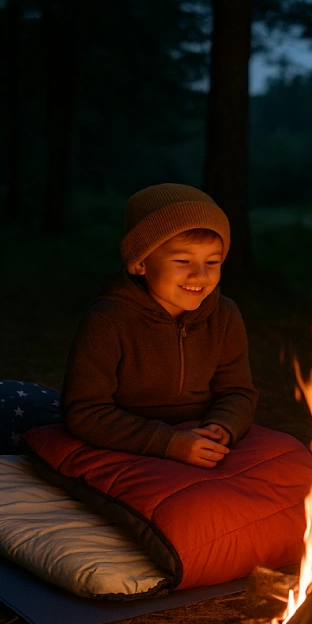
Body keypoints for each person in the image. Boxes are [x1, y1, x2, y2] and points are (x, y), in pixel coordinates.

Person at [62, 183, 258, 469]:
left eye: (212, 261)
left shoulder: (224, 315)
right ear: (141, 262)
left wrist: (223, 426)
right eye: (182, 260)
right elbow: (84, 411)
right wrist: (168, 443)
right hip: (130, 443)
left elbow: (237, 390)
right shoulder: (108, 320)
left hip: (202, 436)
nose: (200, 275)